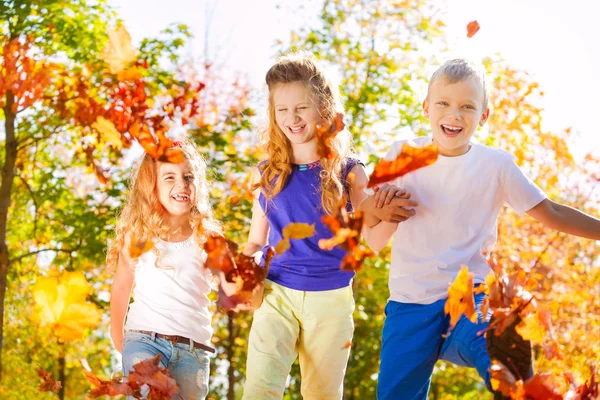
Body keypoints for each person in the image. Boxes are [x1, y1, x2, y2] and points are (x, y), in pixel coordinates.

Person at [361, 58, 600, 400]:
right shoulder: (402, 154)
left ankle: (512, 381)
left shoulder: (496, 165)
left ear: (484, 115)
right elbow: (372, 240)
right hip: (410, 303)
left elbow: (551, 211)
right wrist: (381, 213)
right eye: (443, 103)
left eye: (467, 106)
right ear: (426, 107)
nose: (454, 114)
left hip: (469, 296)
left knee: (493, 345)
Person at [241, 53, 370, 400]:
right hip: (275, 292)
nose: (291, 118)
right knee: (260, 388)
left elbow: (369, 237)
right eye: (282, 110)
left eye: (301, 108)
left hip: (331, 298)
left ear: (323, 108)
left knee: (322, 394)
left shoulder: (350, 172)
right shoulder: (266, 173)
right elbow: (255, 242)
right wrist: (242, 273)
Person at [108, 140, 221, 400]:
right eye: (169, 177)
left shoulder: (209, 239)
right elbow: (122, 287)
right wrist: (119, 339)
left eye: (188, 177)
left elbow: (230, 287)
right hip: (144, 341)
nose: (181, 184)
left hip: (194, 352)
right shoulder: (139, 235)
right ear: (153, 186)